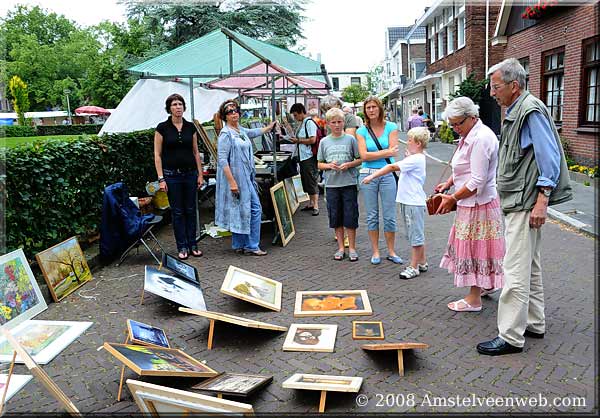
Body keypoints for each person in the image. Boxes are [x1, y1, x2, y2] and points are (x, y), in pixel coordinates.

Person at [476, 58, 572, 356]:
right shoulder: (520, 110)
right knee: (529, 264)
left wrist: (543, 199)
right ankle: (534, 322)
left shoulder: (529, 111)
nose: (493, 93)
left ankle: (510, 336)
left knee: (515, 268)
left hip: (524, 202)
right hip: (521, 200)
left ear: (513, 86)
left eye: (496, 87)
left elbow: (549, 157)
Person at [434, 97, 505, 311]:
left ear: (473, 117)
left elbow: (477, 181)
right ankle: (485, 286)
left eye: (458, 123)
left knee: (475, 249)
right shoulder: (469, 134)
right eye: (452, 124)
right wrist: (447, 184)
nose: (455, 129)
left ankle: (474, 299)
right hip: (471, 202)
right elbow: (463, 168)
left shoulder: (481, 138)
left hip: (478, 204)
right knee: (479, 248)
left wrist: (453, 198)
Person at [362, 127, 429, 279]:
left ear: (418, 143)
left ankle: (414, 266)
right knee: (415, 233)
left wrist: (371, 177)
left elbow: (391, 166)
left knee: (415, 236)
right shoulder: (417, 157)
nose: (407, 142)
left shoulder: (415, 159)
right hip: (410, 201)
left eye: (410, 140)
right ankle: (422, 262)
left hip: (412, 202)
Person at [214, 100, 276, 256]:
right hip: (236, 179)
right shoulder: (225, 134)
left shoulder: (239, 130)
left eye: (235, 110)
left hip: (246, 177)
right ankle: (252, 245)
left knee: (242, 210)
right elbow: (222, 160)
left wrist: (269, 127)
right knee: (254, 209)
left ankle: (240, 244)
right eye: (229, 111)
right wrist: (232, 182)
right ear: (224, 116)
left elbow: (253, 133)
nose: (233, 113)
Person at [154, 94, 204, 260]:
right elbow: (157, 154)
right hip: (171, 176)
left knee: (190, 209)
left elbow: (196, 152)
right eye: (174, 104)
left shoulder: (191, 127)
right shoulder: (162, 128)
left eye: (180, 104)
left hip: (190, 174)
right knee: (177, 212)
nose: (178, 107)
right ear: (169, 108)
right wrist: (161, 178)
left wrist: (200, 174)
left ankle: (193, 244)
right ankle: (181, 246)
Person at [356, 95, 403, 265]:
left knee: (389, 215)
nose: (371, 110)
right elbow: (363, 156)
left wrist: (377, 154)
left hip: (387, 172)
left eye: (374, 107)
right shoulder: (361, 131)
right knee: (372, 215)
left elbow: (395, 151)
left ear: (380, 108)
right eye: (368, 108)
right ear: (365, 111)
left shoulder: (391, 127)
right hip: (367, 174)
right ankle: (375, 251)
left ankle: (391, 250)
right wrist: (386, 152)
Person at [317, 108, 362, 261]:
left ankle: (353, 248)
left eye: (339, 122)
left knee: (350, 216)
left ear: (344, 122)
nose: (337, 125)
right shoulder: (324, 142)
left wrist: (349, 165)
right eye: (334, 122)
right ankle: (341, 248)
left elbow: (359, 159)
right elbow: (319, 164)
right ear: (328, 124)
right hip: (331, 185)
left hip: (348, 183)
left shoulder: (351, 140)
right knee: (335, 216)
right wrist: (329, 166)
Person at [290, 103, 320, 215]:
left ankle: (316, 205)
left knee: (311, 180)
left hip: (309, 156)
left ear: (302, 112)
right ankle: (312, 203)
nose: (295, 117)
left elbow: (312, 140)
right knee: (306, 180)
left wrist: (298, 140)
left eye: (296, 115)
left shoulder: (309, 123)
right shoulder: (303, 123)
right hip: (303, 156)